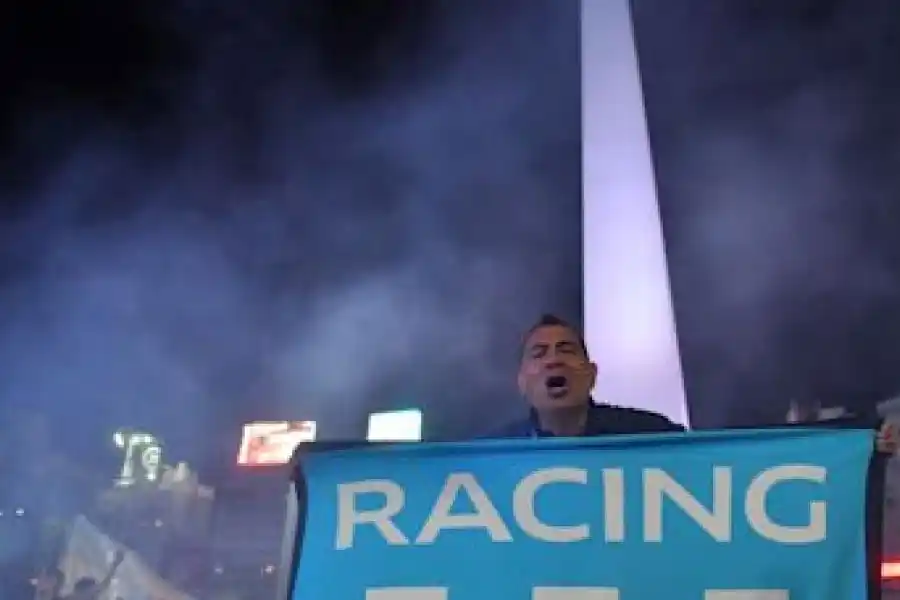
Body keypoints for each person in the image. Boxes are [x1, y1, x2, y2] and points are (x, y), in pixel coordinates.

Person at [490, 313, 685, 437]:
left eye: (566, 351)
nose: (554, 360)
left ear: (591, 375)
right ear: (522, 382)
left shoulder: (651, 434)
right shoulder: (493, 454)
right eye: (539, 354)